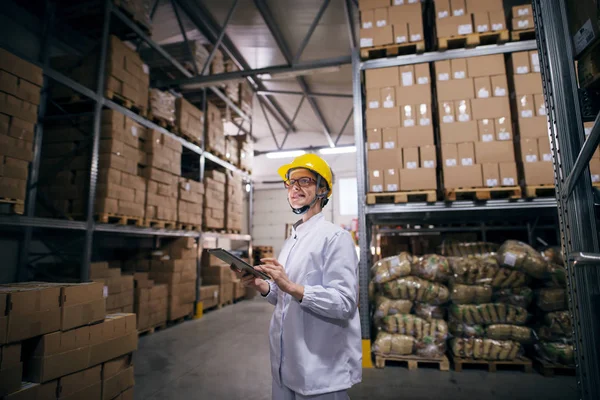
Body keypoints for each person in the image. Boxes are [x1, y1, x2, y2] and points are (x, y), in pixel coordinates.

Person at [234, 154, 362, 400]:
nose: (294, 187)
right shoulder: (292, 241)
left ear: (323, 189)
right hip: (284, 370)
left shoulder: (336, 238)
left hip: (320, 375)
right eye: (290, 182)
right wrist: (263, 286)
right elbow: (286, 298)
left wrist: (290, 286)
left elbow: (345, 304)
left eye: (304, 181)